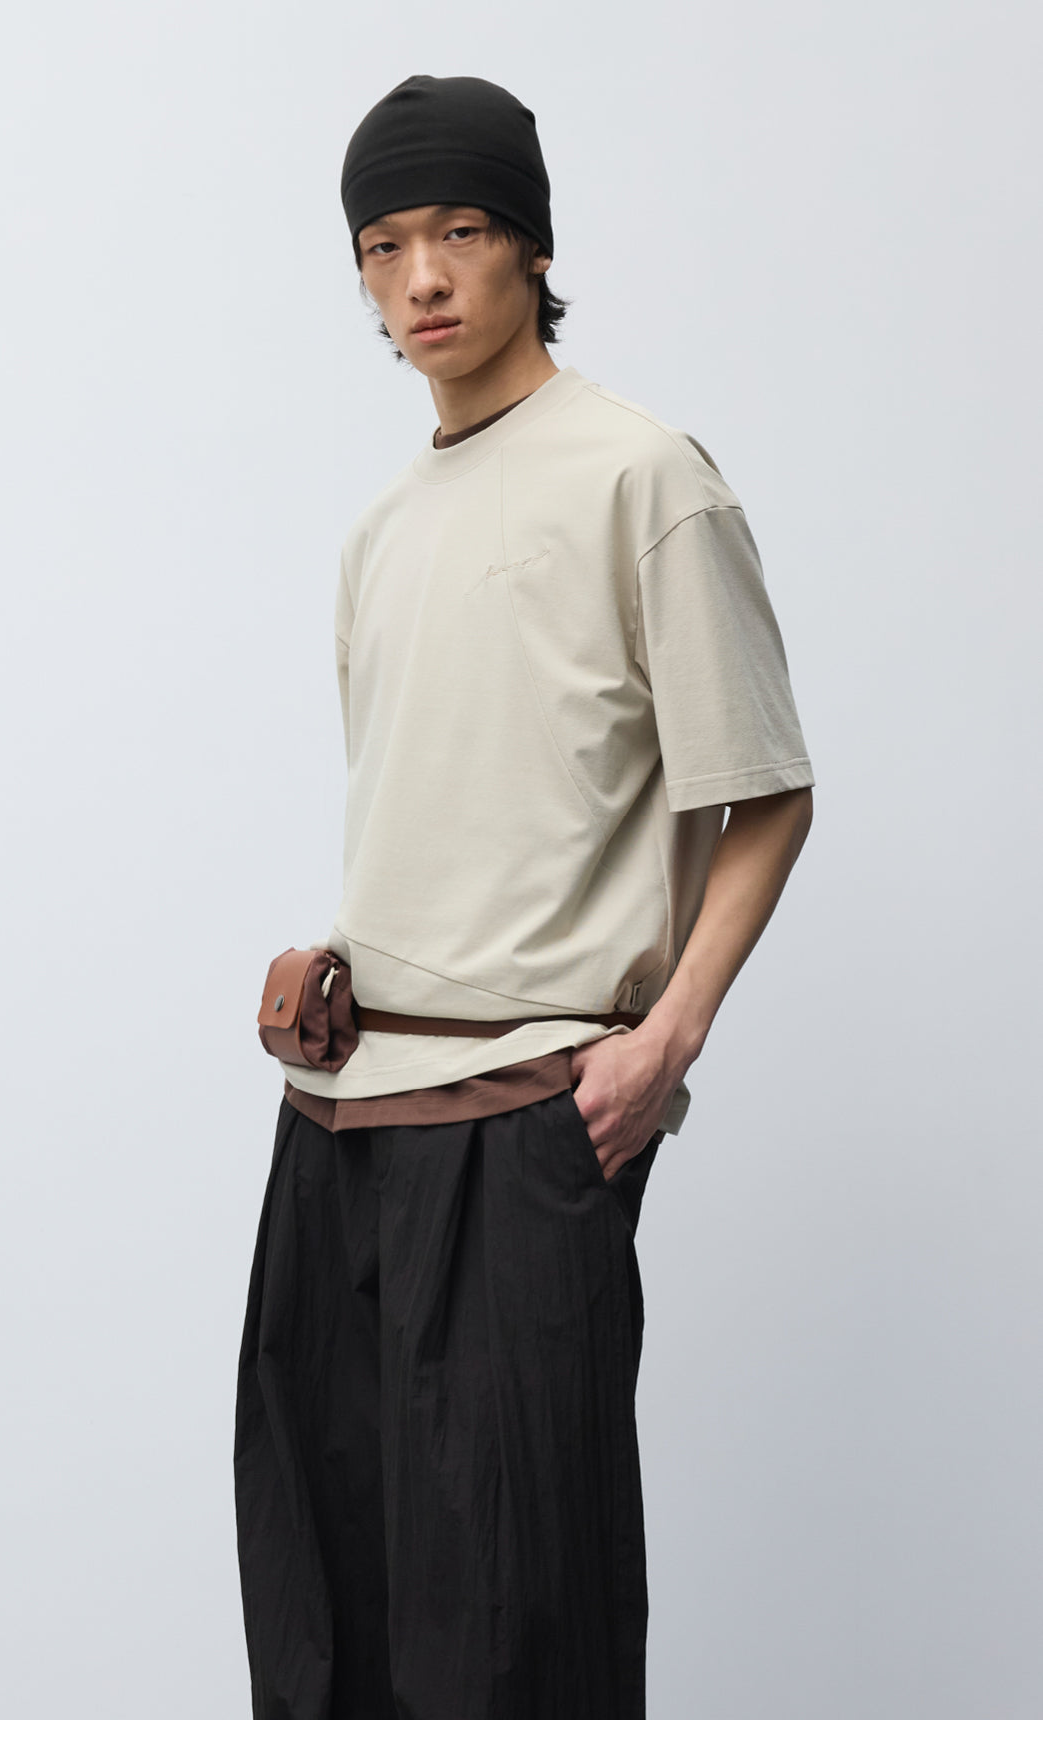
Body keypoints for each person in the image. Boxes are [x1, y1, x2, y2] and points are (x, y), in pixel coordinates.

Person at [233, 72, 815, 1720]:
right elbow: (448, 798)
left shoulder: (642, 477)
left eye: (461, 232)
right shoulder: (379, 532)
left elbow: (765, 788)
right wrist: (342, 958)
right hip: (340, 1109)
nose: (421, 277)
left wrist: (665, 1040)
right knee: (325, 1600)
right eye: (383, 245)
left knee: (512, 1619)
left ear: (531, 247)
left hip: (524, 1110)